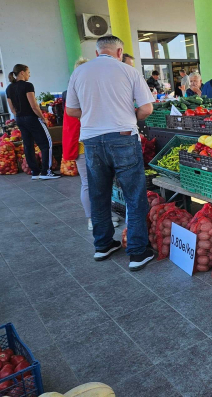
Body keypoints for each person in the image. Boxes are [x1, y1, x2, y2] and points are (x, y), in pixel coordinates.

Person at [66, 35, 155, 270]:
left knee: (99, 194)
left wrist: (93, 114)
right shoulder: (128, 71)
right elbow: (147, 108)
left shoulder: (80, 72)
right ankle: (137, 253)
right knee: (134, 196)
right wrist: (129, 117)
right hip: (123, 138)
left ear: (97, 53)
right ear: (119, 52)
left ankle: (103, 245)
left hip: (92, 141)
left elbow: (71, 110)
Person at [62, 58, 120, 230]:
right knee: (90, 182)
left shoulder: (73, 88)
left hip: (86, 141)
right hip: (85, 142)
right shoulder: (80, 90)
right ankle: (93, 219)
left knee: (96, 182)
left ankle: (100, 217)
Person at [6, 64, 59, 180]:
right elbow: (34, 106)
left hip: (19, 119)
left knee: (28, 145)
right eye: (28, 72)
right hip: (31, 117)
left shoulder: (9, 88)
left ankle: (35, 172)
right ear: (22, 73)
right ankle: (46, 171)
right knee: (46, 143)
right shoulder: (27, 86)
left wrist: (20, 116)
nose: (29, 75)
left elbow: (12, 109)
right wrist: (43, 118)